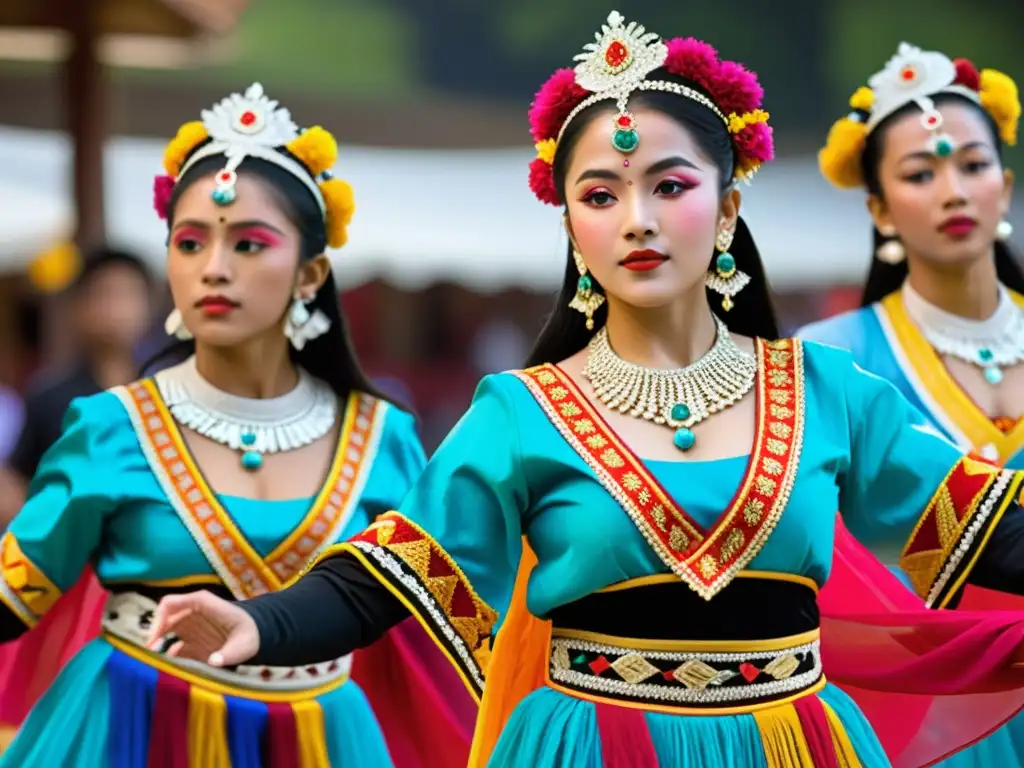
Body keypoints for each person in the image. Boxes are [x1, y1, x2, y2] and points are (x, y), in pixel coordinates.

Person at [150, 15, 1024, 768]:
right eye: (601, 195)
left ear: (725, 212)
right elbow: (395, 570)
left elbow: (991, 528)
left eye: (670, 186)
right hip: (589, 744)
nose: (636, 218)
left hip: (792, 742)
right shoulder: (520, 412)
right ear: (571, 223)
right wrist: (259, 623)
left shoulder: (828, 389)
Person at [0, 83, 471, 766]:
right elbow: (15, 592)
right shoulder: (111, 428)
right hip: (135, 732)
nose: (213, 269)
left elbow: (448, 624)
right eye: (189, 243)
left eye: (249, 244)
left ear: (310, 273)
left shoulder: (383, 439)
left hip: (319, 740)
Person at [800, 42, 1024, 766]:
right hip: (927, 709)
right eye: (921, 174)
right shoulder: (829, 360)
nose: (953, 190)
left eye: (972, 164)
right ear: (880, 208)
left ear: (1006, 182)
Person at [0, 245, 153, 748]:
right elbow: (14, 480)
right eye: (104, 295)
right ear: (83, 307)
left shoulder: (168, 392)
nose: (116, 308)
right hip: (66, 582)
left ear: (148, 304)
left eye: (127, 295)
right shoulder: (52, 395)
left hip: (149, 580)